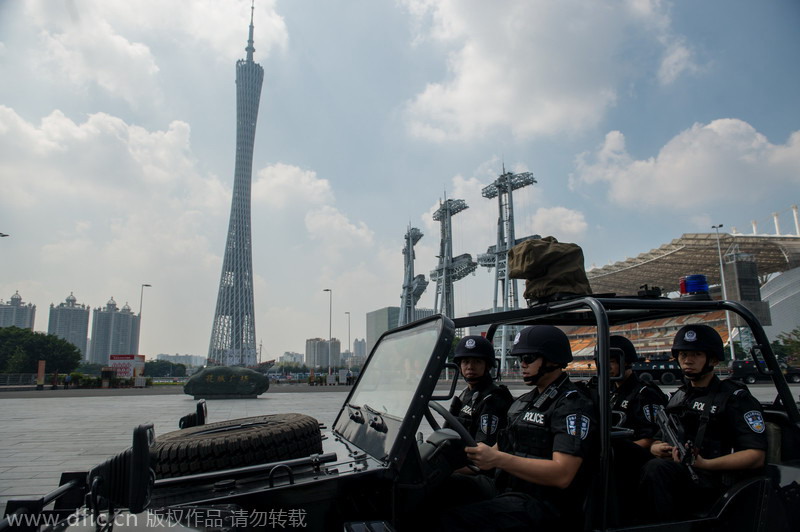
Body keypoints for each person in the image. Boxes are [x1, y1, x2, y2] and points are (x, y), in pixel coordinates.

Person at [441, 325, 596, 531]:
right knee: (431, 489)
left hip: (544, 503)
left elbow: (562, 474)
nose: (521, 364)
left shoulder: (572, 405)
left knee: (449, 522)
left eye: (528, 358)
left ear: (553, 359)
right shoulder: (525, 402)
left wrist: (497, 459)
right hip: (508, 488)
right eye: (520, 359)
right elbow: (497, 448)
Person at [640, 324, 767, 521]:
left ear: (713, 359)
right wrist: (657, 448)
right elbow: (657, 439)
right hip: (682, 476)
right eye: (682, 355)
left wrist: (706, 464)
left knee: (656, 469)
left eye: (696, 354)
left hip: (716, 481)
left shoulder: (734, 398)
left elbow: (755, 455)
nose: (688, 360)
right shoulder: (679, 397)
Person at [448, 335, 513, 447]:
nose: (470, 367)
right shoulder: (467, 393)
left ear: (487, 366)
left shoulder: (492, 399)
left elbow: (483, 448)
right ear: (459, 366)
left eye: (477, 362)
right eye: (465, 361)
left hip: (472, 461)